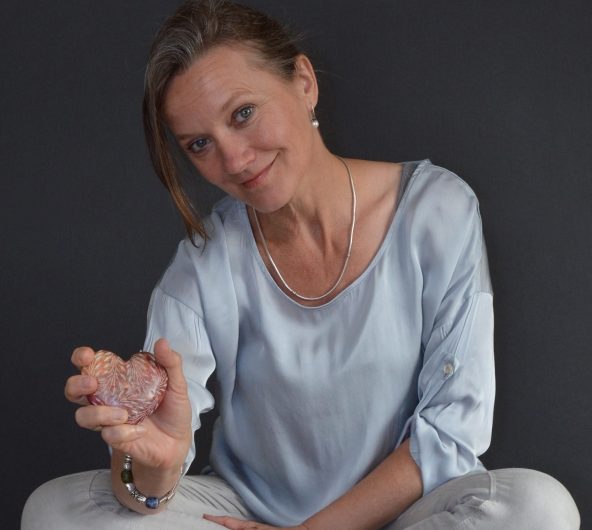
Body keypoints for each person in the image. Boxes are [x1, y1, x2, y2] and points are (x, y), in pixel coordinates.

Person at [22, 1, 580, 529]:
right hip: (249, 512)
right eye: (199, 144)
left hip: (408, 513)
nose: (233, 159)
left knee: (539, 507)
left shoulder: (435, 211)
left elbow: (453, 431)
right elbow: (147, 482)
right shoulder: (204, 262)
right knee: (54, 510)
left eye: (243, 113)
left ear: (304, 83)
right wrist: (157, 468)